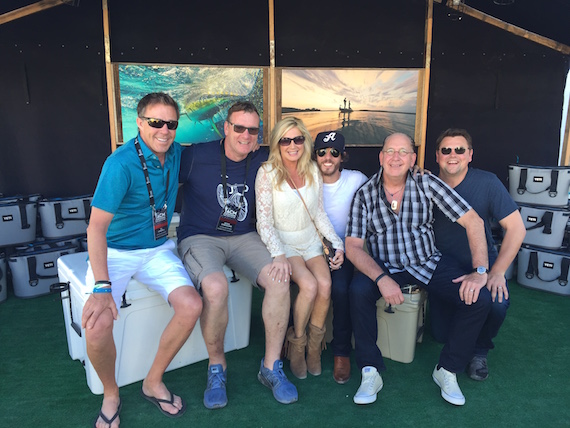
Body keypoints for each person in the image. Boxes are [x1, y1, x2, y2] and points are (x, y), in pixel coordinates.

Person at [82, 92, 203, 428]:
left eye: (171, 124)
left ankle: (152, 381)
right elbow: (96, 229)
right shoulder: (120, 164)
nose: (164, 130)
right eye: (155, 122)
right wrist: (102, 286)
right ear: (138, 122)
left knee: (192, 305)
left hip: (156, 248)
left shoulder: (176, 153)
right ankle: (111, 393)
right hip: (117, 251)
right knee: (96, 325)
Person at [345, 132, 492, 406]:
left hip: (427, 263)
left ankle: (447, 370)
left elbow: (473, 221)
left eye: (403, 152)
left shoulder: (426, 182)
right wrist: (380, 278)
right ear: (381, 157)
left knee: (479, 299)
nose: (396, 158)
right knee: (358, 290)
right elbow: (352, 246)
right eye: (390, 151)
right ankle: (370, 370)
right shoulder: (364, 193)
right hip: (385, 266)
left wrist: (480, 271)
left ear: (413, 158)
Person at [177, 101, 298, 409]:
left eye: (253, 129)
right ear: (226, 128)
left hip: (244, 236)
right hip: (201, 236)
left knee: (280, 279)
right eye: (240, 128)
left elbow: (301, 160)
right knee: (215, 288)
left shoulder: (262, 158)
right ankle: (217, 367)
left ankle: (271, 366)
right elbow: (157, 170)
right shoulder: (194, 155)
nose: (246, 135)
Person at [432, 128, 525, 381]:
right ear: (437, 156)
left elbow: (516, 229)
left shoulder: (487, 182)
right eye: (446, 150)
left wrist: (496, 272)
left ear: (470, 155)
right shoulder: (427, 184)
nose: (453, 155)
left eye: (459, 150)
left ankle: (479, 351)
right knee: (440, 334)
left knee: (495, 303)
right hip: (443, 266)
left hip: (483, 263)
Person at [255, 118, 344, 380]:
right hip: (284, 242)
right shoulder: (268, 172)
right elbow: (264, 221)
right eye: (286, 140)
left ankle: (314, 349)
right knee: (309, 285)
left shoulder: (313, 170)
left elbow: (318, 213)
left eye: (298, 139)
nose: (292, 145)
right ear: (277, 143)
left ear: (305, 141)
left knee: (326, 285)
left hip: (310, 240)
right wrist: (277, 252)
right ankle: (297, 344)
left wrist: (337, 243)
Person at [313, 131, 367, 384]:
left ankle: (341, 351)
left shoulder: (356, 179)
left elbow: (388, 185)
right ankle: (296, 342)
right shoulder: (306, 180)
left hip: (346, 248)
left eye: (334, 152)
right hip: (311, 248)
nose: (327, 157)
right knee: (297, 284)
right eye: (322, 152)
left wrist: (417, 172)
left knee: (342, 289)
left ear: (342, 156)